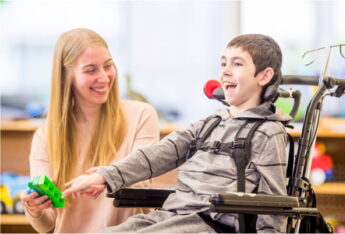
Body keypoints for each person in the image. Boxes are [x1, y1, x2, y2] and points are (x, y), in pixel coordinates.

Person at [62, 34, 291, 233]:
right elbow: (160, 153)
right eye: (223, 64)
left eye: (237, 64)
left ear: (263, 76)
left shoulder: (268, 132)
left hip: (209, 225)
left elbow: (274, 205)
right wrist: (104, 176)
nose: (225, 72)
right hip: (170, 217)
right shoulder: (210, 124)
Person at [19, 28, 160, 233]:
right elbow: (47, 225)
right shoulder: (46, 136)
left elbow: (143, 195)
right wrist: (35, 209)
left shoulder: (141, 115)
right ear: (67, 78)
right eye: (90, 70)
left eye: (108, 66)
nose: (104, 77)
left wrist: (106, 180)